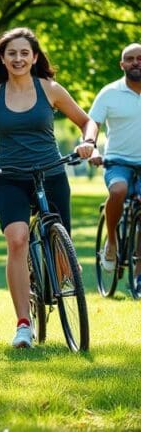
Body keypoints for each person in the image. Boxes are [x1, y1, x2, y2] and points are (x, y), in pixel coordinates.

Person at [0, 27, 96, 349]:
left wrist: (88, 141)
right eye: (12, 54)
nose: (18, 58)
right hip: (10, 177)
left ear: (34, 58)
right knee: (17, 240)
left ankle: (59, 275)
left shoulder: (50, 89)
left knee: (64, 254)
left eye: (24, 53)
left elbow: (86, 121)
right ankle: (23, 324)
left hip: (51, 173)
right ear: (3, 59)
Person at [88, 43, 141, 287]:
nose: (135, 62)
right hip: (117, 161)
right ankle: (111, 242)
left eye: (140, 58)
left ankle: (139, 270)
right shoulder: (109, 93)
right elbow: (92, 123)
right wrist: (91, 145)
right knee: (118, 190)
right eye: (130, 59)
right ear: (122, 65)